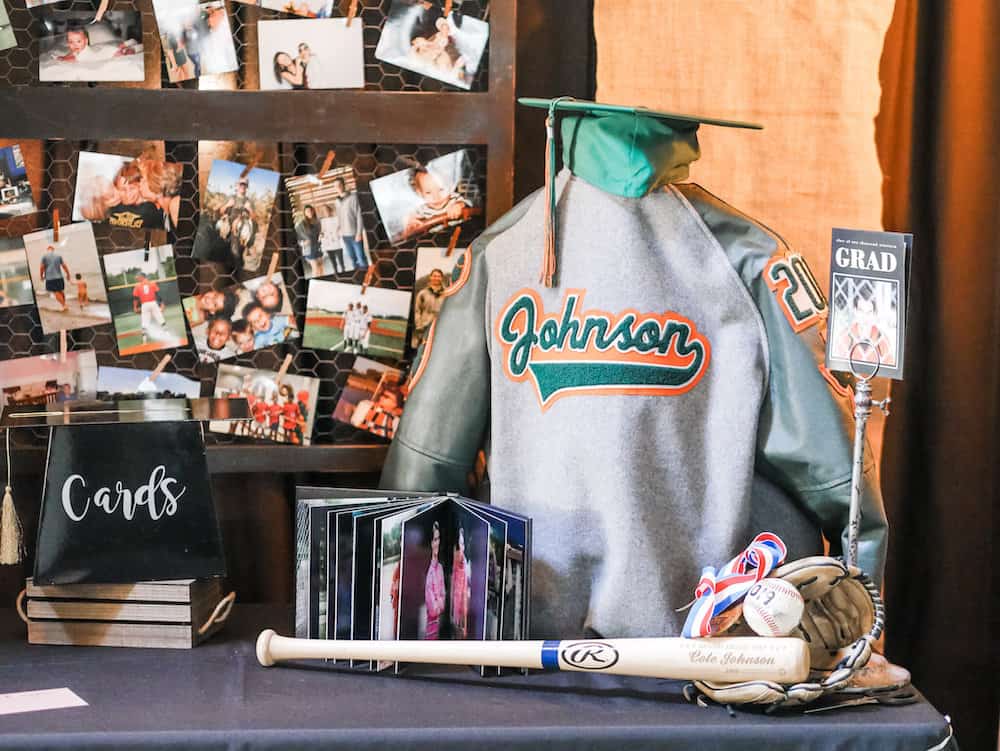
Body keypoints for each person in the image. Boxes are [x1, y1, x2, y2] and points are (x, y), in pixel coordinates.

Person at [402, 164, 469, 239]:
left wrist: (459, 205)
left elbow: (467, 204)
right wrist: (411, 221)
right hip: (435, 241)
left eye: (441, 190)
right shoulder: (422, 210)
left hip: (460, 236)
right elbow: (409, 218)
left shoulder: (453, 199)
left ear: (449, 187)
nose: (436, 197)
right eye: (428, 193)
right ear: (420, 193)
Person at [835, 295, 895, 367]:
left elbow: (889, 366)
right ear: (855, 311)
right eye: (861, 311)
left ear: (874, 314)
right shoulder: (845, 336)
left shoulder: (882, 340)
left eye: (869, 312)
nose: (865, 317)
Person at [55, 26, 138, 64]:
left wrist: (64, 59)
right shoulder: (77, 49)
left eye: (78, 41)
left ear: (86, 41)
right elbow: (71, 53)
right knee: (121, 49)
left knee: (124, 53)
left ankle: (134, 46)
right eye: (71, 42)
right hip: (104, 53)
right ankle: (129, 43)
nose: (74, 45)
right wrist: (65, 56)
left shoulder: (84, 52)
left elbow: (73, 58)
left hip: (108, 54)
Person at [332, 178, 366, 269]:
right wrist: (338, 228)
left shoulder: (353, 197)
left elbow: (359, 215)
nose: (338, 187)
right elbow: (339, 217)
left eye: (339, 185)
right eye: (335, 186)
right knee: (352, 260)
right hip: (345, 236)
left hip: (355, 234)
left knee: (361, 259)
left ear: (343, 185)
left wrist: (359, 233)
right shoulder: (336, 201)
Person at [412, 268, 446, 348]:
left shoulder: (446, 294)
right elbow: (417, 310)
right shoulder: (423, 293)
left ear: (441, 278)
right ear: (430, 277)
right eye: (434, 276)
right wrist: (419, 325)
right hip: (424, 327)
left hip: (440, 327)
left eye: (438, 276)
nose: (436, 278)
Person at [423, 520, 446, 640]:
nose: (436, 543)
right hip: (429, 632)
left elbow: (443, 597)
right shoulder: (428, 571)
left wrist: (439, 602)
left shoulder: (440, 568)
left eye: (438, 539)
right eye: (434, 540)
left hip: (438, 629)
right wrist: (439, 603)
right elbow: (433, 610)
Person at [132, 271, 165, 343]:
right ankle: (167, 334)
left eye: (138, 277)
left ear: (142, 277)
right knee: (160, 318)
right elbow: (157, 294)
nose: (137, 278)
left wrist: (135, 307)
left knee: (144, 322)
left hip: (144, 305)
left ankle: (144, 341)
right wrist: (162, 303)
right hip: (153, 303)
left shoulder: (137, 286)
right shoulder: (152, 283)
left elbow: (135, 298)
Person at [450, 526, 471, 639]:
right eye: (458, 546)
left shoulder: (466, 562)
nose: (461, 549)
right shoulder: (453, 564)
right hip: (455, 601)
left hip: (464, 600)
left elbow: (468, 582)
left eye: (462, 544)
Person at [295, 205, 324, 277]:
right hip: (309, 249)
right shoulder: (301, 224)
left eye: (311, 210)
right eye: (307, 211)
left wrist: (322, 234)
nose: (310, 212)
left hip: (318, 247)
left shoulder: (317, 221)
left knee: (321, 267)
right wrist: (303, 243)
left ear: (313, 211)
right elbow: (297, 238)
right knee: (315, 268)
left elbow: (320, 232)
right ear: (304, 213)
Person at [39, 244, 70, 312]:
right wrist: (68, 274)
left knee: (55, 292)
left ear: (48, 250)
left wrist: (41, 276)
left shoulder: (44, 256)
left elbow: (42, 267)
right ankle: (64, 304)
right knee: (61, 291)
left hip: (50, 278)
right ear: (53, 250)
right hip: (59, 277)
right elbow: (64, 266)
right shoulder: (58, 256)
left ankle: (64, 305)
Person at [319, 203, 344, 274]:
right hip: (328, 244)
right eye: (324, 210)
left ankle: (343, 271)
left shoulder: (336, 218)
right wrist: (321, 234)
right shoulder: (322, 221)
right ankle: (336, 273)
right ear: (323, 212)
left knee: (341, 262)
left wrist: (338, 234)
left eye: (327, 210)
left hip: (337, 242)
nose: (326, 211)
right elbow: (322, 231)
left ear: (330, 210)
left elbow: (340, 228)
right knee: (333, 263)